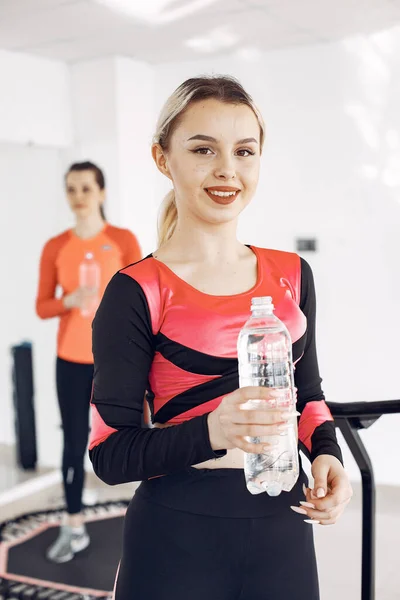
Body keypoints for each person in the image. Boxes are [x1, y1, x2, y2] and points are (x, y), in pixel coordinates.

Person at [89, 77, 352, 599]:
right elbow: (109, 454)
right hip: (177, 536)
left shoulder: (292, 275)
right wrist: (211, 430)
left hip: (283, 525)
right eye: (203, 149)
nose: (227, 168)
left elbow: (309, 396)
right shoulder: (137, 290)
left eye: (244, 151)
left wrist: (327, 455)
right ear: (163, 159)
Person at [35, 161, 142, 564]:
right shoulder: (56, 246)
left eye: (85, 188)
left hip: (116, 362)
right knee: (73, 441)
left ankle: (146, 521)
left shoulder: (122, 240)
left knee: (133, 436)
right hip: (71, 361)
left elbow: (141, 297)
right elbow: (42, 306)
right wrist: (68, 301)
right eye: (71, 189)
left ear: (101, 193)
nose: (78, 197)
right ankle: (74, 522)